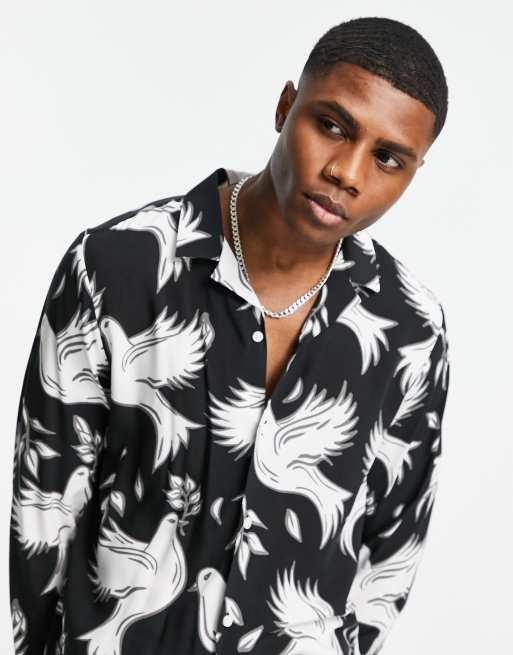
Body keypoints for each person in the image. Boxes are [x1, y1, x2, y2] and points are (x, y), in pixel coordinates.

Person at [9, 15, 451, 655]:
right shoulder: (116, 268)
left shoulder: (410, 330)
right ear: (285, 106)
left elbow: (389, 554)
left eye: (388, 158)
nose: (348, 173)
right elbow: (44, 508)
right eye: (332, 125)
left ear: (413, 171)